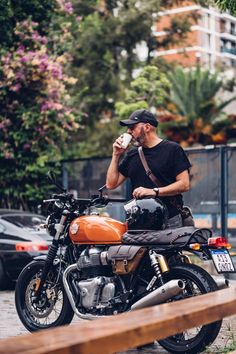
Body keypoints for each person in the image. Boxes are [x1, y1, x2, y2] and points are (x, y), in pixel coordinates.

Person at [106, 109, 192, 228]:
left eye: (132, 127)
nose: (128, 131)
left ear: (147, 127)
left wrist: (153, 191)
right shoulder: (132, 155)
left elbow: (184, 184)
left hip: (169, 220)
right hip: (138, 222)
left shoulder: (173, 149)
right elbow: (111, 184)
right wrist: (116, 155)